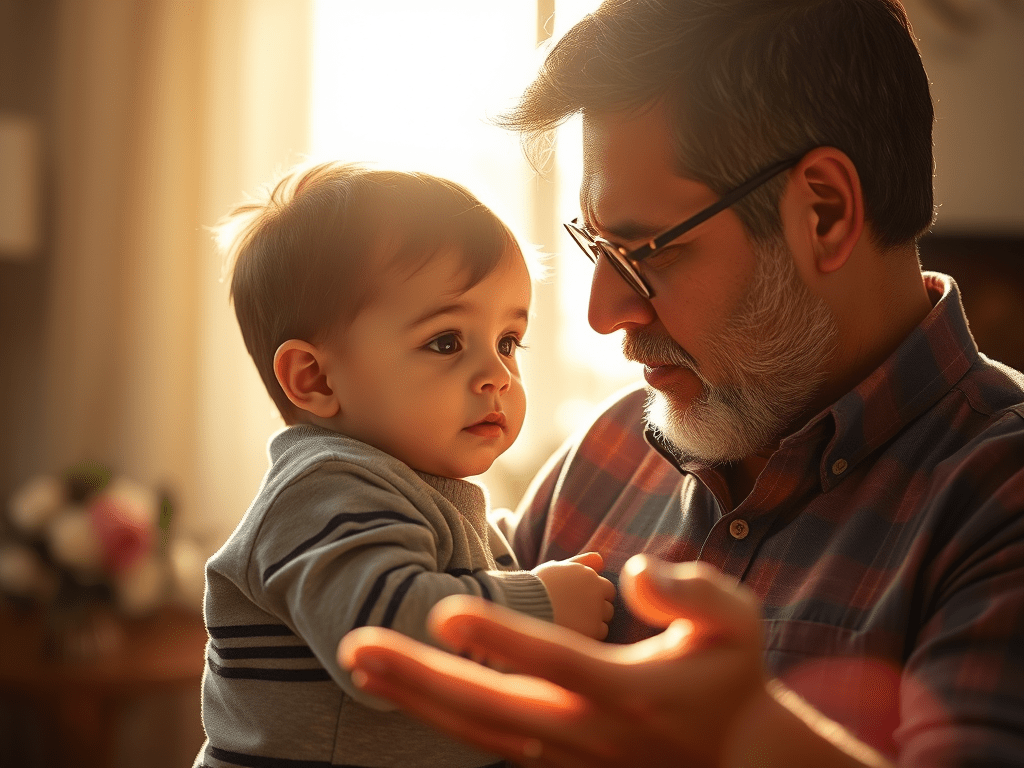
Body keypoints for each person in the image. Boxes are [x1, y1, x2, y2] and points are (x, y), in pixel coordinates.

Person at [339, 1, 1024, 766]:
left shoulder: (1002, 498)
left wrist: (756, 745)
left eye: (643, 249)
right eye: (595, 244)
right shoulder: (601, 458)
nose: (603, 313)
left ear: (824, 213)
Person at [194, 162, 616, 768]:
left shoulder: (417, 490)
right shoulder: (322, 487)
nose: (498, 375)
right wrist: (539, 608)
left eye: (507, 341)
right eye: (446, 341)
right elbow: (381, 636)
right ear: (313, 379)